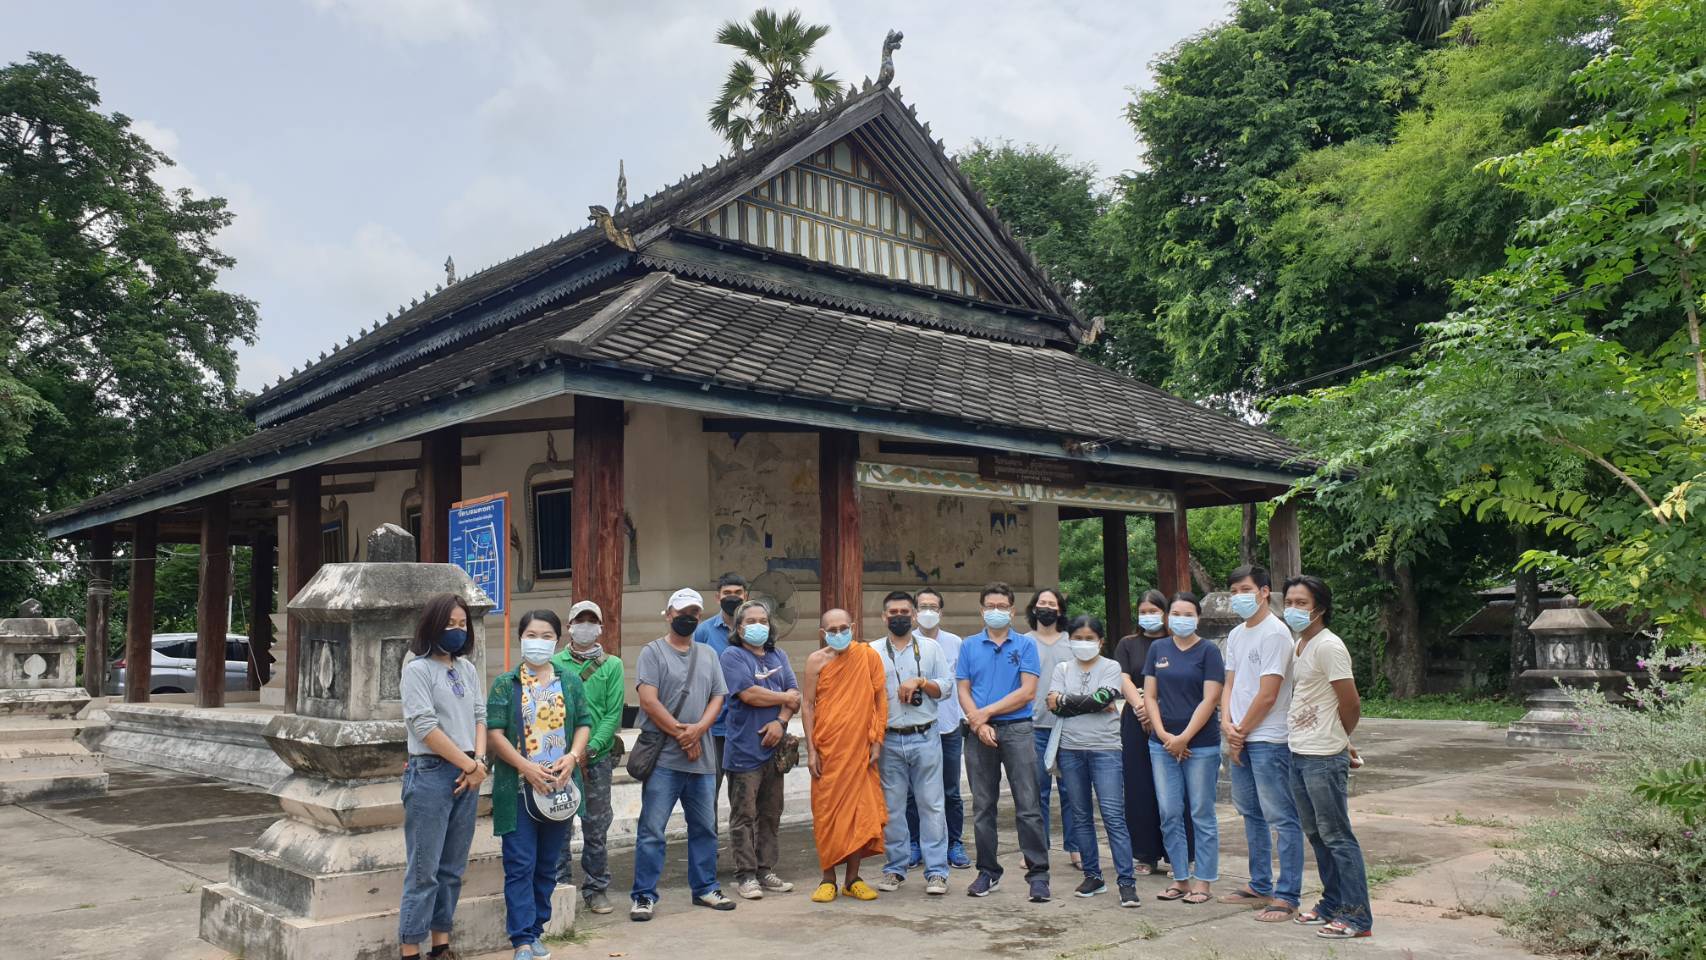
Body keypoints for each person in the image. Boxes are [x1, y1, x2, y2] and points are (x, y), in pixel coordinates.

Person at [486, 610, 592, 960]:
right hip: (518, 789)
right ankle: (521, 940)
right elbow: (494, 733)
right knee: (520, 864)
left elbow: (584, 723)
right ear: (520, 638)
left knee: (548, 865)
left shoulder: (569, 681)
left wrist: (572, 757)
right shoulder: (506, 684)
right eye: (532, 635)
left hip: (559, 788)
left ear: (558, 640)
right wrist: (525, 767)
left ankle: (536, 932)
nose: (539, 642)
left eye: (547, 636)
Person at [630, 588, 735, 921]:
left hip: (702, 760)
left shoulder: (708, 654)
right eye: (681, 612)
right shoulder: (652, 652)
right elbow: (649, 700)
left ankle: (705, 887)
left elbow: (718, 697)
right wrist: (683, 735)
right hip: (664, 760)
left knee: (705, 827)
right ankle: (644, 895)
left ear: (700, 617)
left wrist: (698, 730)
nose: (687, 618)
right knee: (652, 830)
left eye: (693, 613)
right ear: (668, 614)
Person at [1283, 575, 1373, 940]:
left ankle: (1357, 917)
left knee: (1337, 836)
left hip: (1323, 756)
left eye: (1301, 603)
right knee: (1317, 834)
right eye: (1289, 602)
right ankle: (1332, 903)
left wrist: (1339, 739)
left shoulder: (1329, 646)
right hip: (1299, 751)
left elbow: (1351, 703)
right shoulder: (1300, 645)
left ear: (1319, 608)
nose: (1293, 608)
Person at [398, 594, 487, 960]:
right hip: (431, 774)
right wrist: (470, 765)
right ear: (432, 625)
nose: (457, 630)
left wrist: (478, 761)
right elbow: (424, 726)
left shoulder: (467, 669)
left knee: (451, 869)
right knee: (424, 871)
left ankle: (441, 946)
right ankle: (410, 949)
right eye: (450, 623)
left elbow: (480, 715)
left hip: (469, 773)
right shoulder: (416, 670)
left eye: (462, 624)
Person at [1219, 565, 1304, 922]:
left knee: (1281, 816)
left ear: (1264, 591)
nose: (1239, 596)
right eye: (1234, 591)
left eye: (1245, 589)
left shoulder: (1276, 633)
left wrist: (1240, 732)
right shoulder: (1236, 634)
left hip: (1269, 738)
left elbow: (1268, 694)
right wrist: (1227, 724)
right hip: (1239, 736)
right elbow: (1229, 684)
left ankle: (1287, 895)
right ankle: (1259, 883)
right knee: (1250, 812)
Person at [958, 581, 1050, 902]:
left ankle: (1038, 875)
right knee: (983, 806)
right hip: (978, 733)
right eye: (990, 606)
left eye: (1002, 607)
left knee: (1028, 805)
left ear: (1012, 611)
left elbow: (1027, 692)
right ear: (981, 610)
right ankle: (987, 872)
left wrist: (984, 714)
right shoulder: (969, 646)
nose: (995, 611)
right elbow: (963, 689)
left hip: (1018, 730)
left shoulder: (1025, 645)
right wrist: (978, 723)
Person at [1049, 615, 1140, 908]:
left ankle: (1126, 881)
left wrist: (1068, 700)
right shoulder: (1062, 668)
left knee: (1113, 816)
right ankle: (1093, 875)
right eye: (1078, 638)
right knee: (1080, 815)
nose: (1083, 643)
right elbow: (1053, 705)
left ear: (1101, 641)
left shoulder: (1111, 667)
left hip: (1105, 750)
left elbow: (1104, 697)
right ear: (1069, 640)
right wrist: (1092, 703)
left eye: (1089, 638)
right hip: (1070, 749)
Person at [870, 591, 956, 896]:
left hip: (925, 735)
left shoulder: (931, 648)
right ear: (884, 617)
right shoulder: (872, 652)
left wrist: (920, 682)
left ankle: (937, 872)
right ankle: (895, 867)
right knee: (892, 808)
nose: (899, 617)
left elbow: (946, 688)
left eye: (905, 612)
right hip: (889, 738)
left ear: (914, 615)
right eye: (893, 612)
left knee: (931, 805)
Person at [802, 607, 888, 903]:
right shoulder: (816, 661)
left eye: (843, 628)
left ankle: (853, 879)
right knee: (826, 813)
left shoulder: (867, 656)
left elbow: (880, 697)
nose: (839, 633)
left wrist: (877, 739)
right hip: (828, 749)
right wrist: (811, 750)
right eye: (832, 630)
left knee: (858, 814)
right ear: (823, 633)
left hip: (860, 749)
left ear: (853, 627)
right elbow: (807, 705)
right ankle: (828, 878)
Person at [1143, 592, 1224, 905]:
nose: (1181, 619)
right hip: (1162, 744)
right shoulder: (1158, 648)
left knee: (1201, 812)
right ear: (1168, 617)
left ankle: (1204, 881)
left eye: (1188, 614)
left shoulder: (1209, 651)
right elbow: (1150, 696)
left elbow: (1210, 699)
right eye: (1175, 614)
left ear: (1198, 618)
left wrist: (1184, 737)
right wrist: (1164, 734)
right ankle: (1180, 878)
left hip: (1200, 745)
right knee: (1169, 812)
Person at [719, 599, 801, 900]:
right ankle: (746, 875)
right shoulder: (732, 656)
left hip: (775, 751)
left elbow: (795, 696)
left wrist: (780, 721)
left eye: (763, 621)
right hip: (744, 750)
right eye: (750, 621)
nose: (758, 626)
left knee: (771, 813)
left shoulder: (779, 655)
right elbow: (748, 694)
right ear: (739, 628)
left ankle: (766, 870)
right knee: (744, 815)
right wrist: (783, 698)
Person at [553, 600, 624, 915]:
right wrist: (568, 753)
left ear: (600, 628)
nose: (585, 626)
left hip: (597, 759)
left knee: (596, 828)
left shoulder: (613, 665)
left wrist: (589, 749)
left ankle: (596, 889)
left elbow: (612, 714)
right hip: (559, 762)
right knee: (558, 827)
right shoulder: (554, 663)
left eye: (591, 621)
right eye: (579, 621)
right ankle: (559, 888)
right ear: (569, 627)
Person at [1115, 589, 1190, 876]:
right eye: (1143, 611)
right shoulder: (1127, 644)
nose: (1148, 616)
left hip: (1171, 719)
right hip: (1136, 720)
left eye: (1154, 611)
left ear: (1165, 613)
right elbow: (1123, 678)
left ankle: (1178, 855)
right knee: (1139, 786)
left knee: (1174, 789)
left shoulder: (1177, 643)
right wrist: (1141, 707)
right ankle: (1144, 854)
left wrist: (1155, 708)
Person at [906, 587, 970, 870]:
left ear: (941, 612)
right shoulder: (906, 642)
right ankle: (914, 843)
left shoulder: (955, 643)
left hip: (948, 727)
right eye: (923, 607)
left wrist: (968, 717)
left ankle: (954, 843)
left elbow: (964, 683)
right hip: (915, 728)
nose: (928, 612)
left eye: (933, 607)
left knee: (951, 790)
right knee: (913, 792)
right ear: (914, 612)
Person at [1025, 587, 1080, 867]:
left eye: (1052, 603)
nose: (1046, 608)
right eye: (1042, 603)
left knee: (1072, 790)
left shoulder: (1072, 642)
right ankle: (1037, 849)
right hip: (1034, 725)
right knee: (1037, 791)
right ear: (1034, 608)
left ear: (1060, 610)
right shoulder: (1022, 642)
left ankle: (1076, 848)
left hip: (1068, 725)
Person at [694, 572, 749, 820]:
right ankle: (709, 841)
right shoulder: (703, 632)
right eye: (727, 593)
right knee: (708, 793)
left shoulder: (755, 630)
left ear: (746, 596)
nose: (733, 598)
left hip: (745, 727)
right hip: (713, 728)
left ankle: (743, 843)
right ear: (717, 597)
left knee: (743, 796)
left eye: (738, 593)